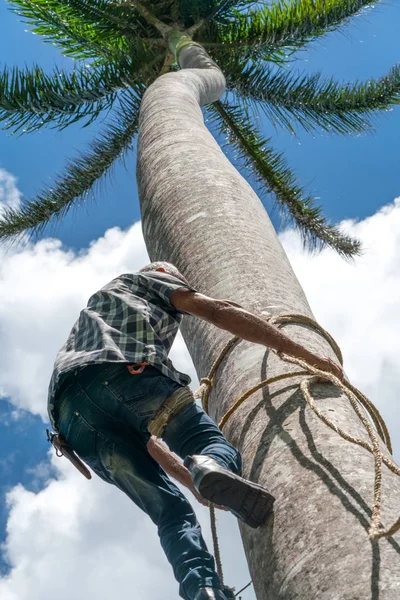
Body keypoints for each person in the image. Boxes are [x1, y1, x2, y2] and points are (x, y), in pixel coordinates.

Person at [47, 262, 343, 600]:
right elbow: (219, 312)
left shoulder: (90, 320)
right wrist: (303, 354)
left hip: (72, 421)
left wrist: (197, 484)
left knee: (170, 512)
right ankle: (214, 462)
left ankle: (203, 589)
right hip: (126, 373)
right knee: (207, 443)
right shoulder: (149, 280)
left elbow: (149, 442)